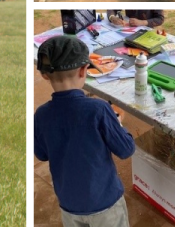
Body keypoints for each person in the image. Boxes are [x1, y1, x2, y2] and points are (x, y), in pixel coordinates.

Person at [35, 35, 135, 227]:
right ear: (83, 71)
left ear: (44, 75)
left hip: (69, 205)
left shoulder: (40, 114)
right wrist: (118, 124)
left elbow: (41, 154)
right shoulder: (99, 110)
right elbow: (126, 149)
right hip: (105, 204)